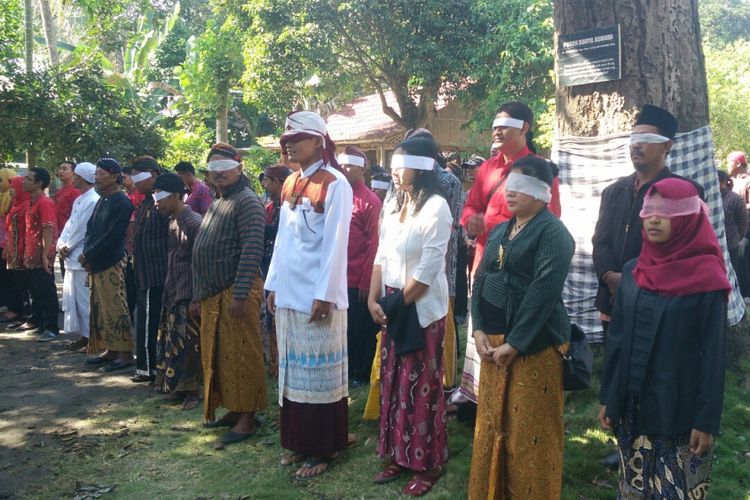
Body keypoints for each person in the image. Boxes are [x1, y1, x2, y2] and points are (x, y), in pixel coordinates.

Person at [599, 178, 728, 499]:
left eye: (666, 212)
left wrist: (706, 420)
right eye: (650, 211)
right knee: (632, 486)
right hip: (632, 406)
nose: (654, 218)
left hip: (679, 412)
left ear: (687, 218)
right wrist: (610, 398)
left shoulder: (707, 279)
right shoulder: (632, 272)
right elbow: (617, 340)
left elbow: (713, 355)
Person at [468, 156, 574, 499]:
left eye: (520, 187)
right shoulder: (500, 229)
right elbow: (481, 279)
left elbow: (542, 294)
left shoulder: (555, 234)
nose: (510, 193)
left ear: (542, 194)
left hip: (535, 347)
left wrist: (515, 343)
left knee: (530, 434)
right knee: (491, 426)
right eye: (508, 186)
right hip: (492, 344)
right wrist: (479, 328)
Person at [454, 101, 562, 408]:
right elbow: (472, 205)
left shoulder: (540, 169)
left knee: (513, 330)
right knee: (483, 329)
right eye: (494, 127)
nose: (497, 132)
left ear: (525, 128)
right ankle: (478, 396)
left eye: (504, 127)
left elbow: (550, 218)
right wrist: (470, 222)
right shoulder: (487, 168)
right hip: (484, 264)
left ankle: (512, 397)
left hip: (521, 272)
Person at [265, 111, 352, 478]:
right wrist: (272, 283)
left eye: (297, 139)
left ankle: (323, 448)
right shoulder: (289, 184)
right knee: (293, 373)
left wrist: (326, 294)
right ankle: (299, 442)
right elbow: (283, 240)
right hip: (289, 293)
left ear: (319, 140)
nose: (290, 145)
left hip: (318, 297)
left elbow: (335, 245)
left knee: (320, 376)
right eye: (286, 140)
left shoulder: (336, 184)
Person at [367, 137, 450, 496]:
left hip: (421, 311)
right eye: (394, 165)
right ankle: (399, 455)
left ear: (423, 166)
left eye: (403, 165)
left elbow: (430, 268)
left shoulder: (436, 208)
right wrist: (373, 299)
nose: (395, 172)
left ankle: (428, 464)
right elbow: (381, 258)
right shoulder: (393, 207)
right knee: (395, 384)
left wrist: (391, 307)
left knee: (422, 387)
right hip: (393, 304)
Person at [592, 105, 703, 336]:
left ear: (666, 145)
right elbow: (600, 241)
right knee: (615, 364)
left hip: (659, 297)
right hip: (613, 297)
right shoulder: (613, 191)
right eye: (633, 138)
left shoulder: (686, 192)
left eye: (645, 138)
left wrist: (636, 280)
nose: (636, 144)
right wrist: (609, 276)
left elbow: (687, 250)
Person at [192, 143, 267, 445]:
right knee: (222, 357)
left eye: (225, 168)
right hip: (213, 293)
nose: (218, 174)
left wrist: (239, 294)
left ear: (239, 169)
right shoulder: (218, 200)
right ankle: (235, 410)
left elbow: (252, 248)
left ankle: (248, 418)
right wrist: (199, 295)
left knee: (243, 356)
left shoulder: (247, 201)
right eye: (213, 170)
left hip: (236, 292)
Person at [152, 173, 203, 410]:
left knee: (191, 345)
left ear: (174, 196)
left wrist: (196, 298)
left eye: (160, 198)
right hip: (174, 290)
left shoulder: (193, 223)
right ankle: (178, 387)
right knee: (174, 343)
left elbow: (201, 263)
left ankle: (193, 392)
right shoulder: (172, 221)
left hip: (189, 294)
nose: (156, 203)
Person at [80, 158, 135, 371]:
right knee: (101, 308)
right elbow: (91, 229)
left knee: (115, 307)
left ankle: (125, 352)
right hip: (97, 261)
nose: (97, 177)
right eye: (96, 173)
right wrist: (87, 253)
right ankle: (110, 349)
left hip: (111, 260)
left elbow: (113, 234)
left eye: (102, 173)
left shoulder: (122, 201)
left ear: (114, 176)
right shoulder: (103, 200)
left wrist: (89, 254)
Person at [339, 146, 382, 387]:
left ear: (361, 168)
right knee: (345, 326)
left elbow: (373, 244)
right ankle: (349, 366)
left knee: (362, 328)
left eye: (349, 166)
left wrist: (367, 279)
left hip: (359, 277)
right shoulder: (339, 194)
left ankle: (362, 371)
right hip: (340, 276)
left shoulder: (370, 201)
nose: (344, 170)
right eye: (342, 165)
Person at [130, 156, 170, 383]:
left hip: (157, 272)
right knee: (146, 320)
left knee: (150, 321)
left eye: (140, 176)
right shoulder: (146, 201)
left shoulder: (160, 201)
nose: (135, 181)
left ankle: (148, 368)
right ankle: (149, 366)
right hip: (144, 272)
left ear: (153, 175)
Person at [56, 162, 100, 351]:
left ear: (82, 177)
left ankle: (93, 338)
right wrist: (61, 244)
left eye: (75, 175)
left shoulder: (93, 200)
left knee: (85, 301)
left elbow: (83, 230)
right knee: (74, 299)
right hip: (70, 255)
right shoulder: (80, 199)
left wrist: (68, 245)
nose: (72, 178)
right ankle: (84, 335)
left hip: (81, 256)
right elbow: (69, 226)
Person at [260, 163, 292, 378]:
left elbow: (280, 234)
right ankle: (275, 364)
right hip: (271, 265)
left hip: (284, 268)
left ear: (279, 182)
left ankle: (281, 363)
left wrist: (256, 226)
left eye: (268, 181)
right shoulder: (277, 205)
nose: (265, 185)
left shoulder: (288, 205)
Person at [22, 168, 60, 342]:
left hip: (42, 254)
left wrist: (45, 255)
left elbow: (48, 228)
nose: (24, 181)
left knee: (46, 290)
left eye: (29, 179)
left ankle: (51, 327)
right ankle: (41, 323)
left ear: (39, 183)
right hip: (32, 253)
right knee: (36, 291)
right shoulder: (32, 201)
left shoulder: (45, 202)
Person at [0, 168, 25, 324]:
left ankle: (14, 309)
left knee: (10, 278)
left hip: (8, 243)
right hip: (3, 242)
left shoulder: (12, 198)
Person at [718, 170, 749, 296]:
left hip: (731, 244)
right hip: (717, 244)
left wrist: (738, 238)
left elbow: (743, 221)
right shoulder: (713, 198)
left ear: (723, 182)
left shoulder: (735, 199)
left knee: (733, 273)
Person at [53, 161, 80, 278]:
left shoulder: (76, 191)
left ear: (74, 173)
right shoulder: (59, 192)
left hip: (72, 237)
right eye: (60, 168)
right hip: (61, 236)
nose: (61, 171)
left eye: (65, 169)